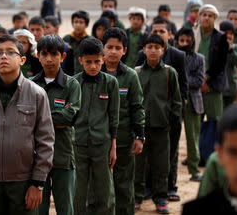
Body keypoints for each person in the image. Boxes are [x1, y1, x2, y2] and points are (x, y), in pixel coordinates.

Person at [0, 34, 54, 215]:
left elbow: (46, 141)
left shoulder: (36, 94)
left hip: (24, 182)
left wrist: (38, 183)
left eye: (11, 52)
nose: (4, 56)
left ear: (22, 59)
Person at [136, 17, 189, 201]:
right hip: (141, 126)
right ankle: (138, 195)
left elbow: (177, 98)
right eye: (149, 47)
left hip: (162, 125)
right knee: (139, 163)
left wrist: (173, 119)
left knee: (162, 163)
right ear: (143, 49)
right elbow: (133, 100)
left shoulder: (169, 72)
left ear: (162, 49)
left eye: (156, 47)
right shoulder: (136, 72)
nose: (152, 50)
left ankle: (161, 196)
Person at [32, 35, 81, 215]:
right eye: (44, 54)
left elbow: (70, 117)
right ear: (38, 55)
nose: (49, 59)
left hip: (63, 155)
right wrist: (57, 118)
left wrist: (39, 119)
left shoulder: (72, 84)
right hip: (36, 157)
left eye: (54, 54)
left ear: (63, 56)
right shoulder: (31, 85)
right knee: (38, 208)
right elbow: (26, 120)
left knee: (65, 208)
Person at [72, 37, 119, 215]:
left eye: (97, 61)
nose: (93, 66)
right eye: (88, 62)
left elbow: (114, 115)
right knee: (78, 191)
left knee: (105, 191)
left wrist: (113, 146)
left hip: (103, 145)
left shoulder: (110, 83)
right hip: (78, 145)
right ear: (80, 61)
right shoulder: (74, 83)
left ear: (103, 60)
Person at [102, 28, 145, 215]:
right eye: (109, 47)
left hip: (124, 138)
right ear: (102, 48)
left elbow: (137, 107)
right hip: (97, 139)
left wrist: (139, 136)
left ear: (124, 51)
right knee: (99, 186)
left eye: (117, 48)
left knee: (124, 184)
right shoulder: (93, 73)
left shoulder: (130, 76)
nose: (113, 51)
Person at [195, 4, 228, 162]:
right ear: (199, 17)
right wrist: (198, 81)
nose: (206, 18)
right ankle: (196, 155)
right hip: (195, 86)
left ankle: (214, 156)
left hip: (213, 86)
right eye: (204, 15)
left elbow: (220, 63)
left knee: (215, 121)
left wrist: (206, 79)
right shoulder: (194, 35)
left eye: (210, 15)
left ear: (215, 19)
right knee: (196, 122)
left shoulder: (220, 37)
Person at [175, 27, 205, 182]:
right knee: (172, 137)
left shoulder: (199, 58)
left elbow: (199, 81)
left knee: (193, 138)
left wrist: (182, 80)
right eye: (182, 40)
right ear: (177, 40)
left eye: (188, 40)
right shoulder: (173, 57)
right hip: (175, 101)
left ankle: (194, 170)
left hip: (193, 102)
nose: (185, 43)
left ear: (193, 41)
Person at [219, 21, 237, 109]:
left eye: (231, 34)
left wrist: (230, 50)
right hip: (220, 86)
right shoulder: (217, 47)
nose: (229, 36)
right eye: (226, 33)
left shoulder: (236, 47)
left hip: (232, 87)